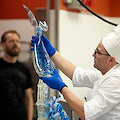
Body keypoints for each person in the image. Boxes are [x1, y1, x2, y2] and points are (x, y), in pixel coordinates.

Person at [31, 24, 120, 120]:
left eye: (98, 52)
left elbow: (85, 113)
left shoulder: (115, 80)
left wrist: (61, 87)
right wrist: (51, 51)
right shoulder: (106, 74)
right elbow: (77, 74)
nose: (93, 54)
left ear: (111, 60)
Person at [0, 30, 34, 120]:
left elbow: (28, 98)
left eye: (17, 41)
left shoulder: (25, 70)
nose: (15, 44)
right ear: (3, 45)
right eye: (11, 41)